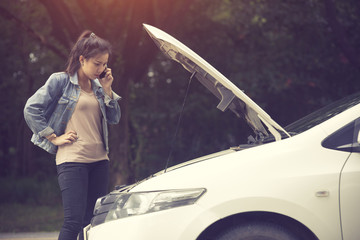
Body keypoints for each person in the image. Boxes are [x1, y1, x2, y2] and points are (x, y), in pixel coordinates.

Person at [23, 30, 121, 240]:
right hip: (72, 161)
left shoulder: (98, 87)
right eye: (97, 63)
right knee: (73, 221)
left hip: (100, 161)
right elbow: (31, 109)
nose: (101, 69)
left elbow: (114, 118)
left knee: (92, 223)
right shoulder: (60, 81)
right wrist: (53, 137)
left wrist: (107, 90)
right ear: (82, 59)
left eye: (104, 64)